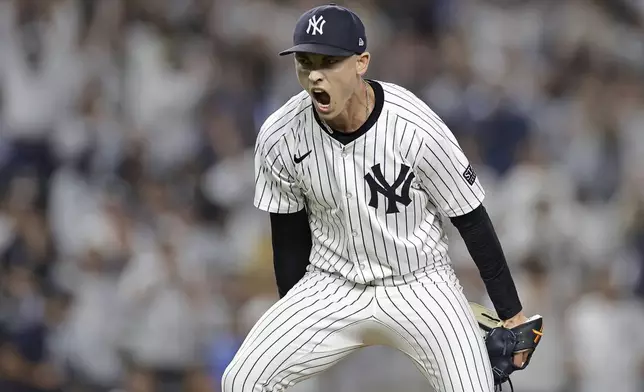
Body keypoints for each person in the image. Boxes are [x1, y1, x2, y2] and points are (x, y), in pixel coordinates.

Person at [222, 4, 535, 392]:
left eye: (329, 61)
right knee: (241, 380)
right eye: (305, 61)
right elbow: (288, 239)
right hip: (330, 283)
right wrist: (295, 316)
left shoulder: (414, 125)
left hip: (420, 283)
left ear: (361, 63)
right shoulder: (280, 134)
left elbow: (471, 217)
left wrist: (511, 312)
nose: (315, 74)